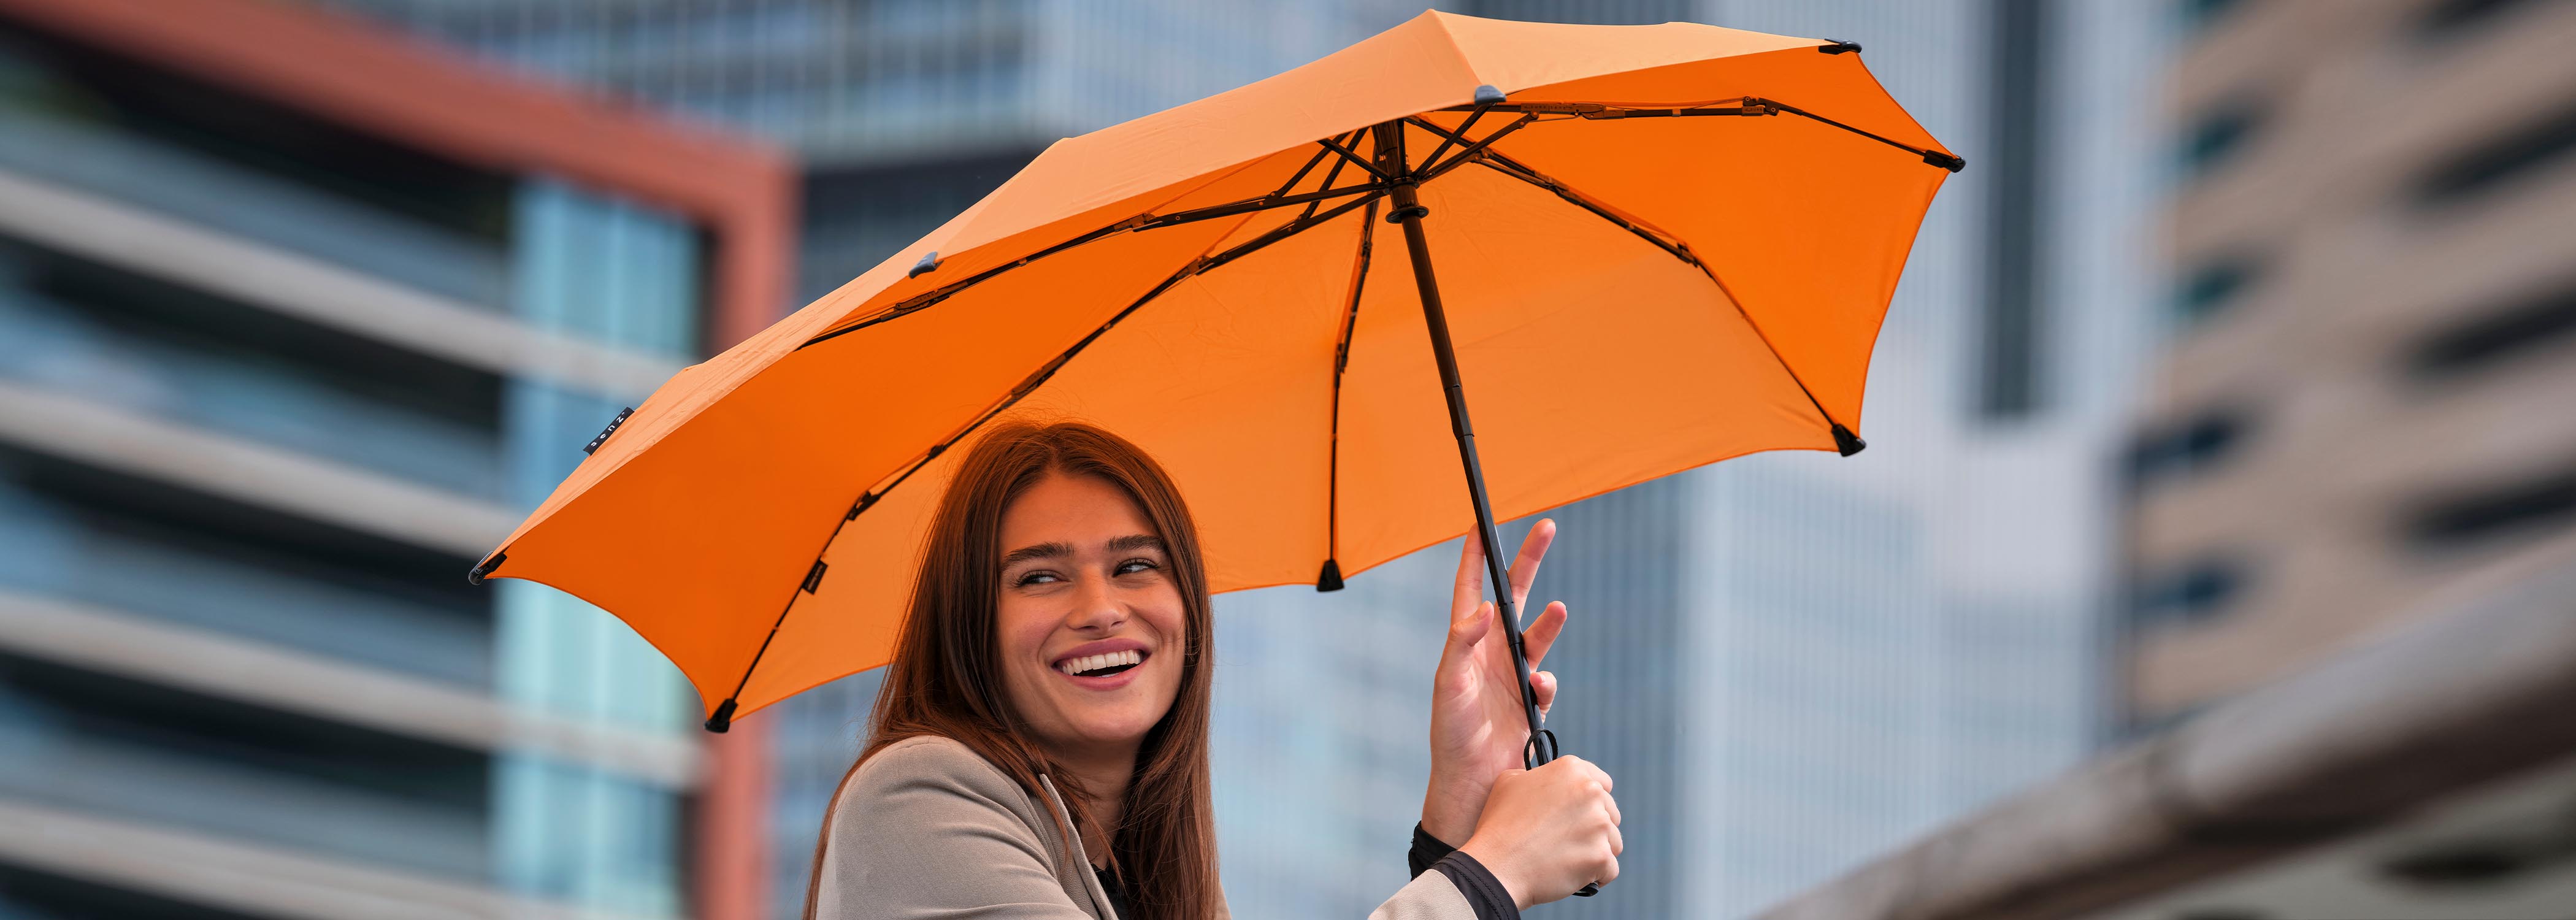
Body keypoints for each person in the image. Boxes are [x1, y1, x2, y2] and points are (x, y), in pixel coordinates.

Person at [804, 421, 1621, 919]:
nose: (1099, 607)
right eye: (1040, 576)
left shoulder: (1154, 873)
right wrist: (1492, 871)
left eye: (1134, 567)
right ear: (967, 626)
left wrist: (1457, 825)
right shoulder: (914, 798)